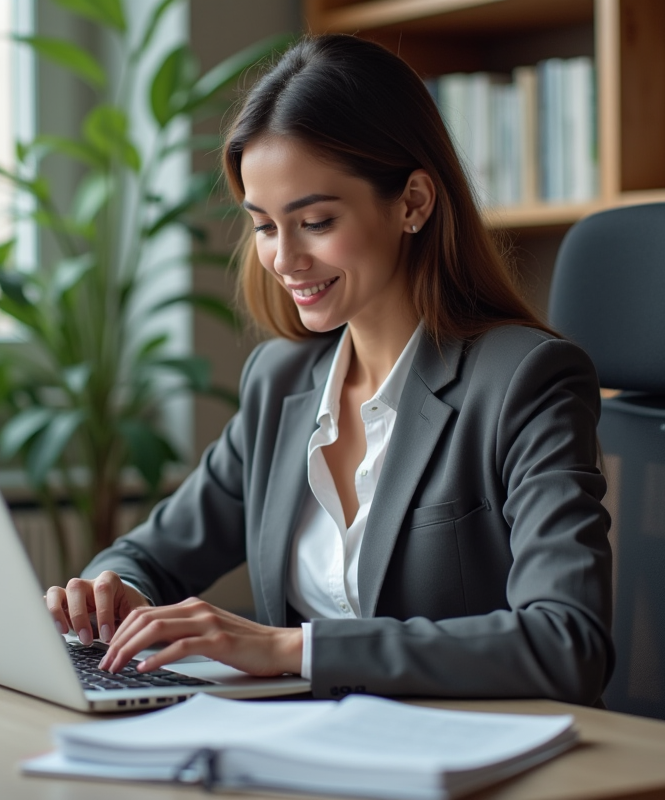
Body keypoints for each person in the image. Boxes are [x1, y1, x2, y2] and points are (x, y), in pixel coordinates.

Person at [45, 33, 613, 704]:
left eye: (314, 221)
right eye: (262, 225)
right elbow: (152, 554)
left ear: (413, 203)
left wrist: (289, 649)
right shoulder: (280, 382)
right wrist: (109, 593)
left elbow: (566, 640)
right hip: (307, 746)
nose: (283, 258)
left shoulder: (526, 381)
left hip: (464, 755)